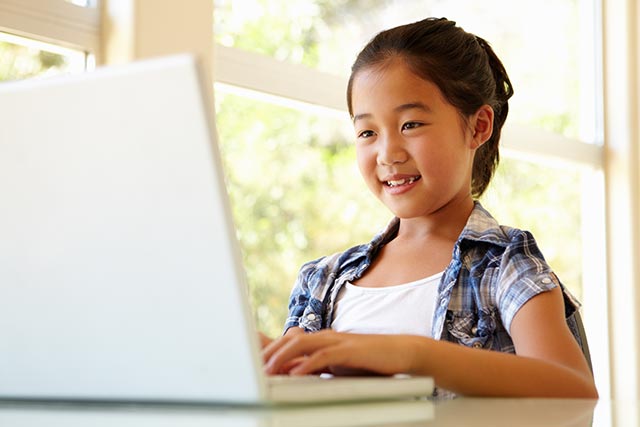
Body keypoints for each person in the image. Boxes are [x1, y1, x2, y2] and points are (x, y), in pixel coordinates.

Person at [261, 17, 598, 398]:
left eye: (411, 124)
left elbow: (574, 393)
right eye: (367, 132)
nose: (388, 153)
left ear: (478, 126)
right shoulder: (321, 280)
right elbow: (289, 396)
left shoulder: (503, 264)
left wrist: (412, 354)